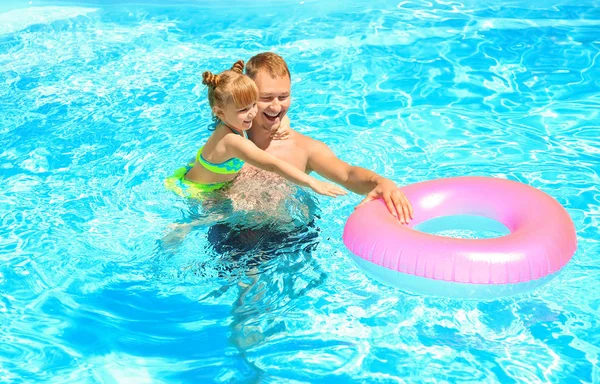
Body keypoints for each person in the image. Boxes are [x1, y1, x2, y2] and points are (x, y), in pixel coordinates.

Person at [237, 52, 414, 224]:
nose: (276, 106)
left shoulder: (304, 149)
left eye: (283, 97)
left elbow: (347, 174)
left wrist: (379, 181)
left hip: (290, 235)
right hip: (233, 236)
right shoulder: (230, 140)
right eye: (266, 98)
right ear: (248, 96)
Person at [164, 60, 347, 199]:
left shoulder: (230, 121)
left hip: (196, 172)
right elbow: (272, 164)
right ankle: (179, 227)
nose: (252, 113)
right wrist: (312, 182)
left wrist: (285, 122)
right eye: (243, 110)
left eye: (253, 105)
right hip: (198, 191)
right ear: (219, 112)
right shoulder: (233, 141)